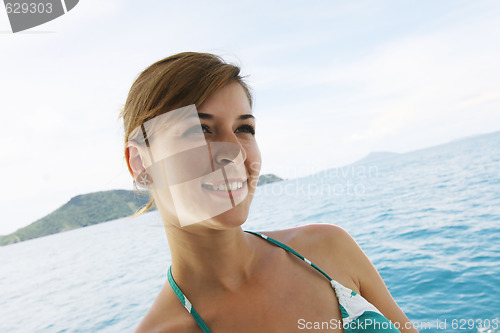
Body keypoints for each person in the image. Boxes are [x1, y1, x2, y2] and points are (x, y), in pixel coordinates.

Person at [120, 52, 418, 333]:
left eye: (244, 129)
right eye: (200, 130)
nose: (235, 152)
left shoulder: (329, 248)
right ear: (140, 163)